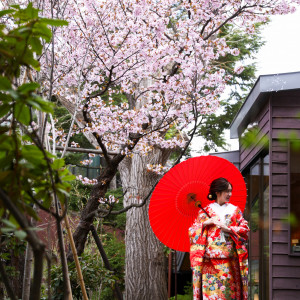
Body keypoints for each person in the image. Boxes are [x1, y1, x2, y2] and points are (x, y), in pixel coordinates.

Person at [188, 177, 249, 300]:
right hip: (209, 262)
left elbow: (245, 229)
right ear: (217, 192)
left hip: (230, 260)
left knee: (229, 294)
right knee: (211, 295)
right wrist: (205, 223)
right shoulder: (205, 212)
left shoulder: (234, 210)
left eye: (230, 191)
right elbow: (192, 232)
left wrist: (230, 229)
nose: (230, 194)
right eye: (227, 191)